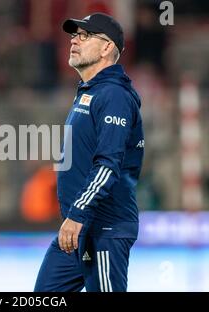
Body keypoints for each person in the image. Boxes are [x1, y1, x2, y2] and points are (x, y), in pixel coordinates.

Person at [34, 13, 144, 292]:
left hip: (104, 228)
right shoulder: (90, 91)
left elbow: (108, 166)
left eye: (85, 36)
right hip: (79, 228)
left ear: (107, 47)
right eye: (74, 35)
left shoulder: (114, 96)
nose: (74, 41)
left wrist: (78, 215)